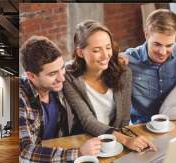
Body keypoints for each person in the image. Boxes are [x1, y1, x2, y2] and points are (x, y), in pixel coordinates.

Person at [63, 20, 155, 152]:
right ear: (80, 52)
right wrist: (125, 140)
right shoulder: (70, 78)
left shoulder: (123, 72)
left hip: (116, 142)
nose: (105, 55)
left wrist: (129, 140)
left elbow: (124, 119)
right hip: (87, 143)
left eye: (108, 47)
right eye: (96, 50)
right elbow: (87, 120)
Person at [19, 36, 101, 163]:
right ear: (31, 76)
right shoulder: (20, 97)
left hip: (62, 159)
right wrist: (78, 153)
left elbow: (87, 64)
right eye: (52, 74)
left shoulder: (59, 81)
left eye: (61, 68)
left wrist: (121, 57)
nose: (61, 78)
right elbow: (23, 153)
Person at [124, 9, 176, 124]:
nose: (163, 52)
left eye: (169, 45)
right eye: (157, 44)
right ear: (146, 35)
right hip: (142, 126)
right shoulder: (129, 59)